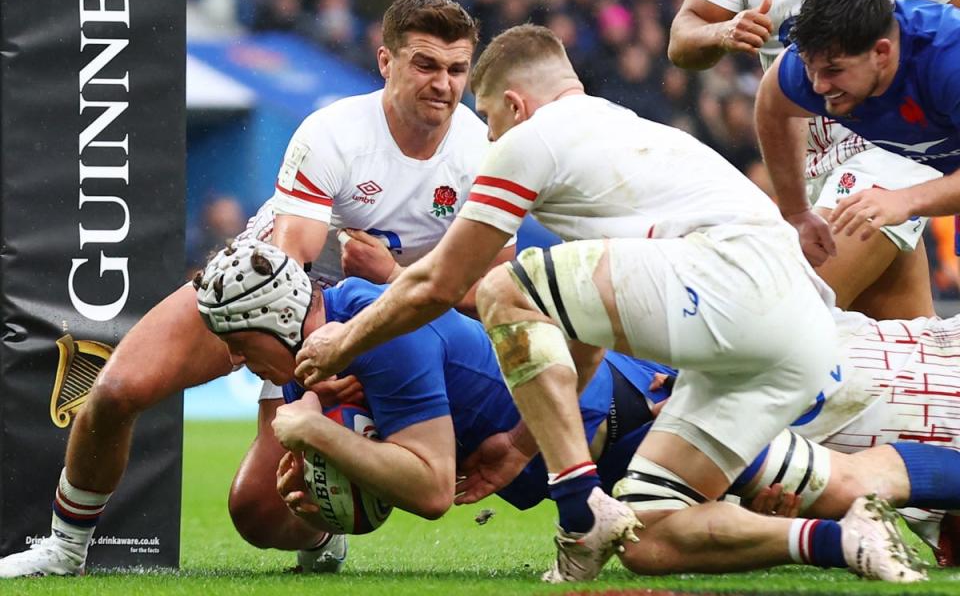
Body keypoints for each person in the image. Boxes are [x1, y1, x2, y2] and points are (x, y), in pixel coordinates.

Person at [286, 24, 931, 584]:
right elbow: (586, 328)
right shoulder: (623, 138)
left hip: (735, 284)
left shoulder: (529, 141)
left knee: (501, 286)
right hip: (797, 334)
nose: (487, 140)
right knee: (649, 536)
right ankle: (844, 540)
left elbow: (439, 285)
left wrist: (341, 343)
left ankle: (576, 516)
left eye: (488, 119)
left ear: (514, 104)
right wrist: (519, 442)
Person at [0, 0, 510, 578]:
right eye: (425, 64)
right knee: (116, 390)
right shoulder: (336, 131)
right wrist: (320, 366)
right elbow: (291, 260)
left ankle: (326, 523)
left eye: (455, 69)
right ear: (385, 62)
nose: (443, 84)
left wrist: (389, 287)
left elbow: (493, 286)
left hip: (376, 319)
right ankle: (63, 550)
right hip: (258, 294)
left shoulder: (481, 153)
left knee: (258, 513)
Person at [195, 240, 952, 579]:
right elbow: (392, 475)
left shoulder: (370, 331)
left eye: (234, 343)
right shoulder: (310, 359)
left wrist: (309, 433)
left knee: (836, 481)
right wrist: (326, 505)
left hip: (615, 416)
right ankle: (844, 540)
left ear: (263, 324)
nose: (235, 360)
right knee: (664, 540)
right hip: (589, 433)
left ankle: (860, 526)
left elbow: (428, 488)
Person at [669, 0, 960, 320]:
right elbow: (683, 45)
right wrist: (722, 32)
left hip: (895, 148)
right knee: (899, 344)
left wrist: (908, 199)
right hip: (812, 161)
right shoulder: (791, 68)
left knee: (785, 314)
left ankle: (672, 376)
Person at [755, 0, 960, 257]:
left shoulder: (949, 60)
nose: (819, 86)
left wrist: (905, 200)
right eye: (810, 69)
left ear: (881, 52)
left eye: (834, 71)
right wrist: (797, 213)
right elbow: (771, 107)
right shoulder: (813, 68)